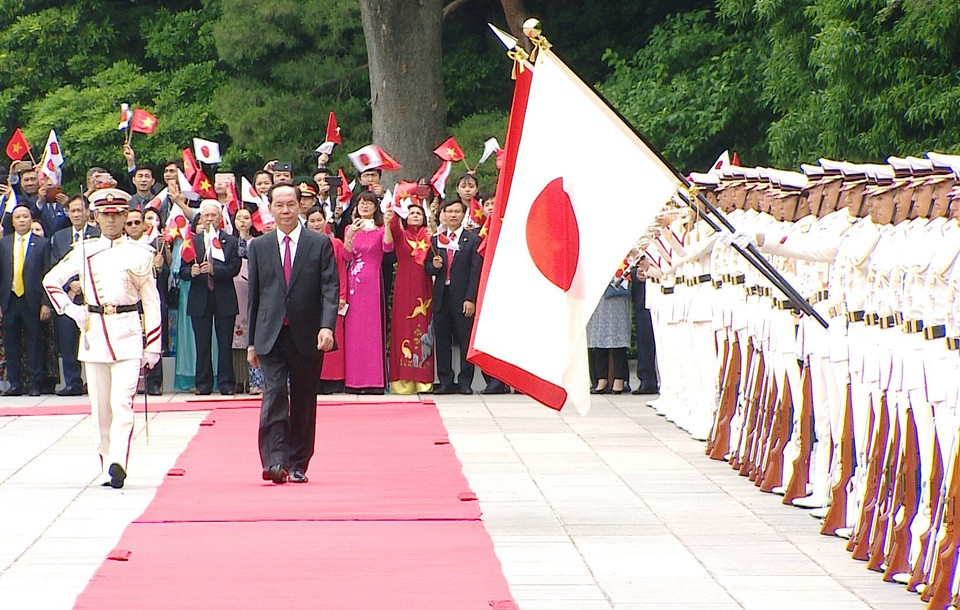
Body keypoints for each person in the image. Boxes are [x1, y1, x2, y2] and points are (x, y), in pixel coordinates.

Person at [42, 188, 161, 489]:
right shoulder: (84, 250)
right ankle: (107, 461)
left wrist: (154, 346)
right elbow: (51, 281)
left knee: (122, 403)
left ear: (125, 216)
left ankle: (118, 461)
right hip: (95, 333)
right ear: (96, 216)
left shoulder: (140, 253)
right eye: (105, 215)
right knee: (101, 410)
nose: (111, 220)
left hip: (128, 332)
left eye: (117, 214)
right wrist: (71, 309)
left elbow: (151, 302)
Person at [247, 183, 338, 484]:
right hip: (270, 335)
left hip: (307, 333)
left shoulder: (318, 243)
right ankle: (274, 461)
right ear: (270, 208)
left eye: (290, 204)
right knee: (273, 395)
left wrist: (327, 326)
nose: (285, 211)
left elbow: (329, 288)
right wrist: (250, 343)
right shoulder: (259, 246)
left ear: (300, 205)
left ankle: (298, 462)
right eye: (279, 205)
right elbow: (255, 297)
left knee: (303, 398)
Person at [178, 200, 241, 395]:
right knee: (202, 344)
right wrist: (193, 272)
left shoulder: (230, 241)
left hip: (224, 298)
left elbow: (234, 268)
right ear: (201, 218)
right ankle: (203, 384)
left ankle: (226, 384)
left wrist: (215, 270)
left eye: (214, 215)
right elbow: (182, 271)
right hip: (200, 299)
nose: (210, 219)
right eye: (206, 216)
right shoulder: (192, 242)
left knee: (224, 344)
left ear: (221, 219)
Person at [425, 199, 482, 394]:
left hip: (462, 297)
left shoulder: (472, 239)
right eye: (449, 211)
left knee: (465, 339)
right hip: (442, 295)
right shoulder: (436, 239)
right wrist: (435, 266)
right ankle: (446, 381)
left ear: (463, 214)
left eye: (457, 211)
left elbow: (476, 271)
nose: (453, 215)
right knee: (442, 340)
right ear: (443, 214)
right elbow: (427, 267)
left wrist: (471, 298)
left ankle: (465, 382)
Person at [342, 190, 393, 393]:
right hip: (353, 281)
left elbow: (388, 249)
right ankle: (354, 381)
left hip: (372, 282)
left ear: (375, 207)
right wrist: (351, 234)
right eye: (361, 203)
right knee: (353, 332)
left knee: (372, 330)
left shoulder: (380, 230)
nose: (364, 206)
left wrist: (388, 224)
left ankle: (374, 381)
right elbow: (346, 255)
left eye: (369, 203)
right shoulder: (349, 227)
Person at [49, 196, 100, 396]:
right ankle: (72, 383)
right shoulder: (60, 237)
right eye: (73, 210)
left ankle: (94, 383)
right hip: (67, 297)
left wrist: (83, 284)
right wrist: (71, 284)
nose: (77, 214)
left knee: (93, 341)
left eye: (80, 210)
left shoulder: (98, 234)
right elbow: (54, 264)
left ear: (88, 212)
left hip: (93, 298)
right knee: (68, 341)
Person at [0, 204, 51, 395]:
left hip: (33, 301)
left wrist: (46, 303)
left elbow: (47, 273)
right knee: (11, 343)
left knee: (34, 343)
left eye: (25, 216)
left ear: (31, 219)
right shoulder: (4, 243)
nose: (21, 220)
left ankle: (34, 383)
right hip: (10, 300)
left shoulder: (43, 243)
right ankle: (14, 383)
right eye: (18, 217)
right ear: (12, 221)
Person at [386, 201, 434, 394]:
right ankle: (403, 380)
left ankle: (423, 380)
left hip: (424, 286)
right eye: (411, 213)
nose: (415, 215)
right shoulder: (401, 235)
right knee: (403, 327)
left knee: (424, 326)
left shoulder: (428, 236)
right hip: (404, 286)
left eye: (418, 213)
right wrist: (393, 211)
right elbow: (392, 227)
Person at [306, 206, 347, 394]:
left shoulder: (336, 243)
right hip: (309, 298)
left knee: (331, 335)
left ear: (325, 221)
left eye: (319, 220)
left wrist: (342, 295)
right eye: (312, 221)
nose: (315, 224)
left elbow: (340, 270)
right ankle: (314, 380)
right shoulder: (303, 243)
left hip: (331, 297)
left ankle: (333, 380)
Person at [231, 208, 263, 394]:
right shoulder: (226, 241)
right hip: (234, 291)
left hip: (254, 290)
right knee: (236, 336)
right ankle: (238, 379)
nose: (243, 221)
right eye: (239, 218)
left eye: (246, 217)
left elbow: (245, 253)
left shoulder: (259, 242)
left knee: (254, 334)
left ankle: (256, 381)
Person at [587, 278, 633, 394]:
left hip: (617, 290)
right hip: (596, 292)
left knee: (618, 334)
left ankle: (619, 379)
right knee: (597, 334)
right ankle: (601, 379)